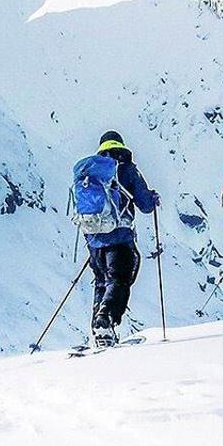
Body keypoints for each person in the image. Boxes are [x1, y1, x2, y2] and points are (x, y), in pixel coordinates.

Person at [70, 130, 158, 348]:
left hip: (93, 239)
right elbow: (145, 205)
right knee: (119, 279)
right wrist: (153, 198)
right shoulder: (126, 169)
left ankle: (99, 331)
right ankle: (106, 320)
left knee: (101, 281)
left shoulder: (93, 173)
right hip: (119, 237)